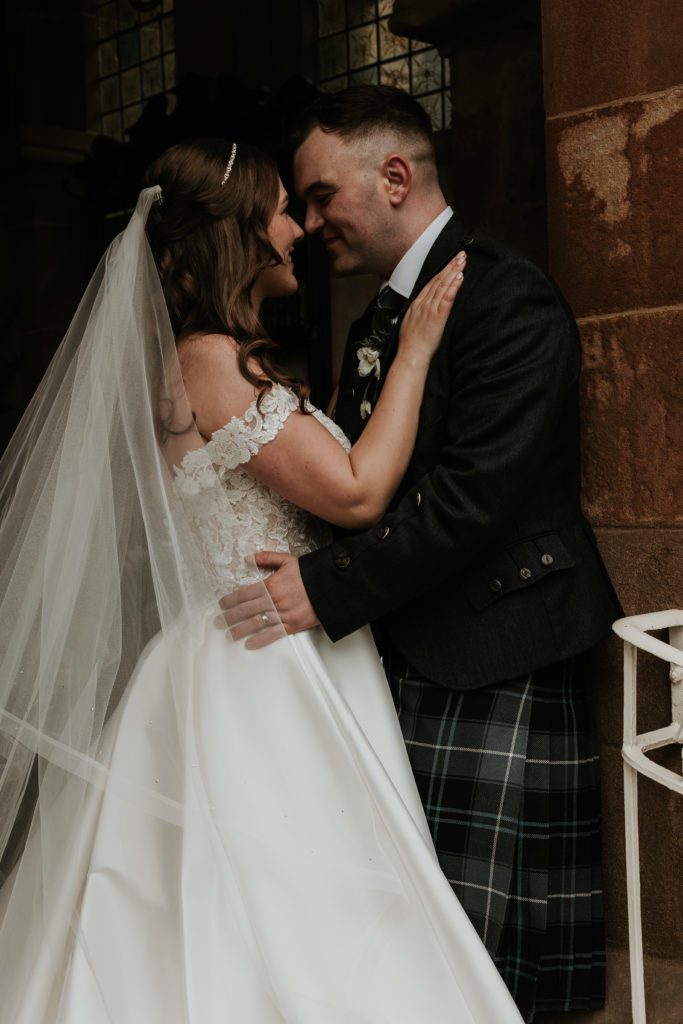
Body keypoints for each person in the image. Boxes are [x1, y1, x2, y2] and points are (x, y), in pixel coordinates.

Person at [0, 138, 524, 1022]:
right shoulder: (212, 359)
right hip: (261, 661)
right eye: (282, 208)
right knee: (288, 902)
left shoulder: (204, 357)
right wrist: (417, 350)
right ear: (239, 233)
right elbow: (355, 493)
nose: (295, 229)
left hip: (251, 647)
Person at [221, 86, 623, 1021]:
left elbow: (478, 495)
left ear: (394, 176)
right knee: (421, 945)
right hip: (417, 646)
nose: (309, 221)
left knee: (483, 957)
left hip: (496, 647)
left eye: (320, 197)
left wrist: (326, 586)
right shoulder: (379, 321)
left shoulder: (502, 295)